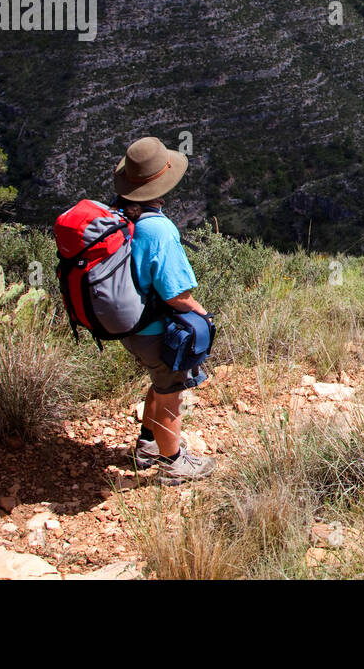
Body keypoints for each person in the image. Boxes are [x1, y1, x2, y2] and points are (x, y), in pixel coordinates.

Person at [112, 136, 215, 483]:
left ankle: (147, 444)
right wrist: (203, 316)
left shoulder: (121, 214)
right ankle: (174, 463)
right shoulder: (159, 229)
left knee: (159, 379)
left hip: (130, 327)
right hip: (154, 328)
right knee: (172, 388)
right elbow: (176, 295)